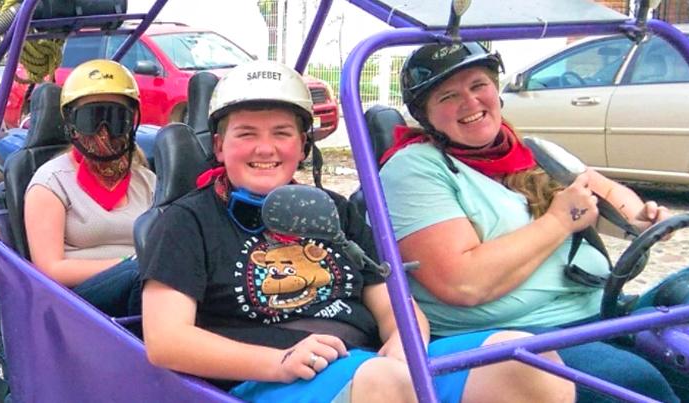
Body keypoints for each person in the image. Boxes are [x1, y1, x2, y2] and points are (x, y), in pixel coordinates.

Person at [140, 61, 573, 402]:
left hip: (370, 365)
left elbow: (392, 304)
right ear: (219, 146)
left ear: (304, 145)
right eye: (246, 134)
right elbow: (166, 340)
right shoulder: (186, 221)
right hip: (264, 378)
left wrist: (405, 341)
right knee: (385, 384)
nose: (265, 148)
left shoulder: (336, 211)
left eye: (282, 133)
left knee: (526, 359)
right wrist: (279, 362)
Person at [379, 42, 689, 403]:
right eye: (449, 96)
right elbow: (463, 284)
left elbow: (606, 193)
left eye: (478, 85)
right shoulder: (415, 168)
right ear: (426, 116)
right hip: (514, 333)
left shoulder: (531, 151)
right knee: (633, 383)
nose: (470, 102)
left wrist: (640, 218)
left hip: (601, 312)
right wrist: (559, 221)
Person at [23, 59, 155, 318]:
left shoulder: (147, 181)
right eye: (92, 118)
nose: (103, 131)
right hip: (76, 302)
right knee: (141, 276)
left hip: (147, 290)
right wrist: (126, 265)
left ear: (132, 122)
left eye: (116, 118)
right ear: (71, 123)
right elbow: (50, 268)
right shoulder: (52, 182)